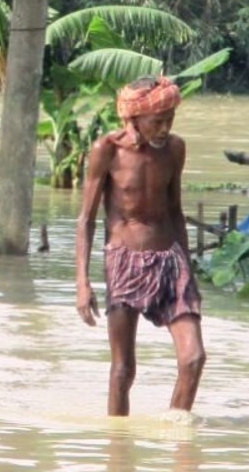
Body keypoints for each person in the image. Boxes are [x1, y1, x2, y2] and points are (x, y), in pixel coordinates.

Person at [75, 74, 205, 416]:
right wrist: (82, 283)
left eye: (170, 120)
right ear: (133, 118)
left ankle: (175, 437)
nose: (164, 129)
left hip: (170, 261)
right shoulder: (107, 151)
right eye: (157, 122)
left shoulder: (175, 149)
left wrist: (188, 272)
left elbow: (176, 212)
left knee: (193, 358)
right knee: (123, 370)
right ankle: (118, 453)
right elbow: (85, 220)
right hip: (123, 261)